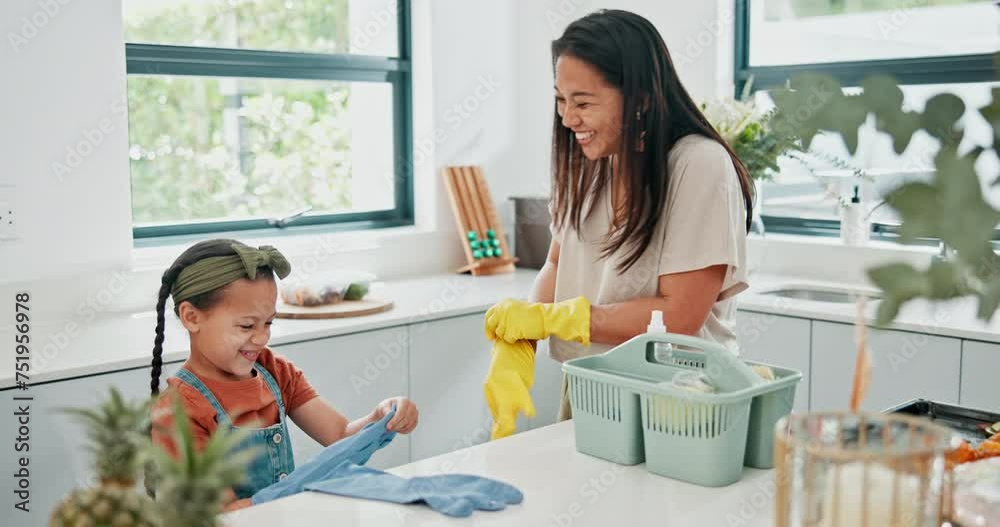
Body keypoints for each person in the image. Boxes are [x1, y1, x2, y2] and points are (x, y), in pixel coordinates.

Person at [484, 9, 754, 426]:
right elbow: (558, 262)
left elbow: (680, 316)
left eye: (583, 102)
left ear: (640, 98)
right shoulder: (589, 163)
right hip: (593, 387)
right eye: (560, 99)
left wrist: (561, 318)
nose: (568, 118)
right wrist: (523, 336)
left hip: (680, 398)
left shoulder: (697, 165)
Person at [147, 239, 419, 510]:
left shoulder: (275, 371)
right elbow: (223, 513)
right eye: (246, 325)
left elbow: (339, 434)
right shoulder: (177, 411)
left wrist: (380, 417)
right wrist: (297, 491)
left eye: (268, 323)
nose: (262, 337)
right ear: (192, 317)